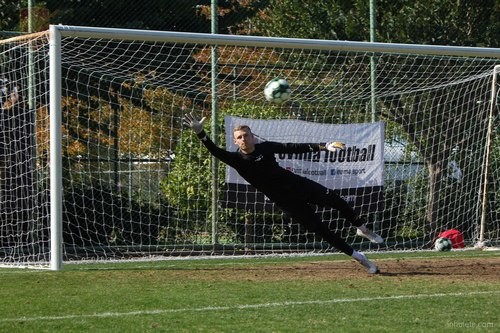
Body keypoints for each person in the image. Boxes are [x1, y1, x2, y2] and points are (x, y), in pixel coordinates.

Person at [183, 112, 383, 274]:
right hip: (285, 201)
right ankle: (360, 257)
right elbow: (214, 151)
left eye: (246, 135)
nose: (244, 139)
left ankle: (362, 228)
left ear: (252, 137)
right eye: (239, 137)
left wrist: (324, 146)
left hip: (298, 185)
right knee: (322, 230)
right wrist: (201, 133)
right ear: (236, 142)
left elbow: (292, 147)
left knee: (338, 201)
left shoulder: (266, 148)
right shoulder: (236, 160)